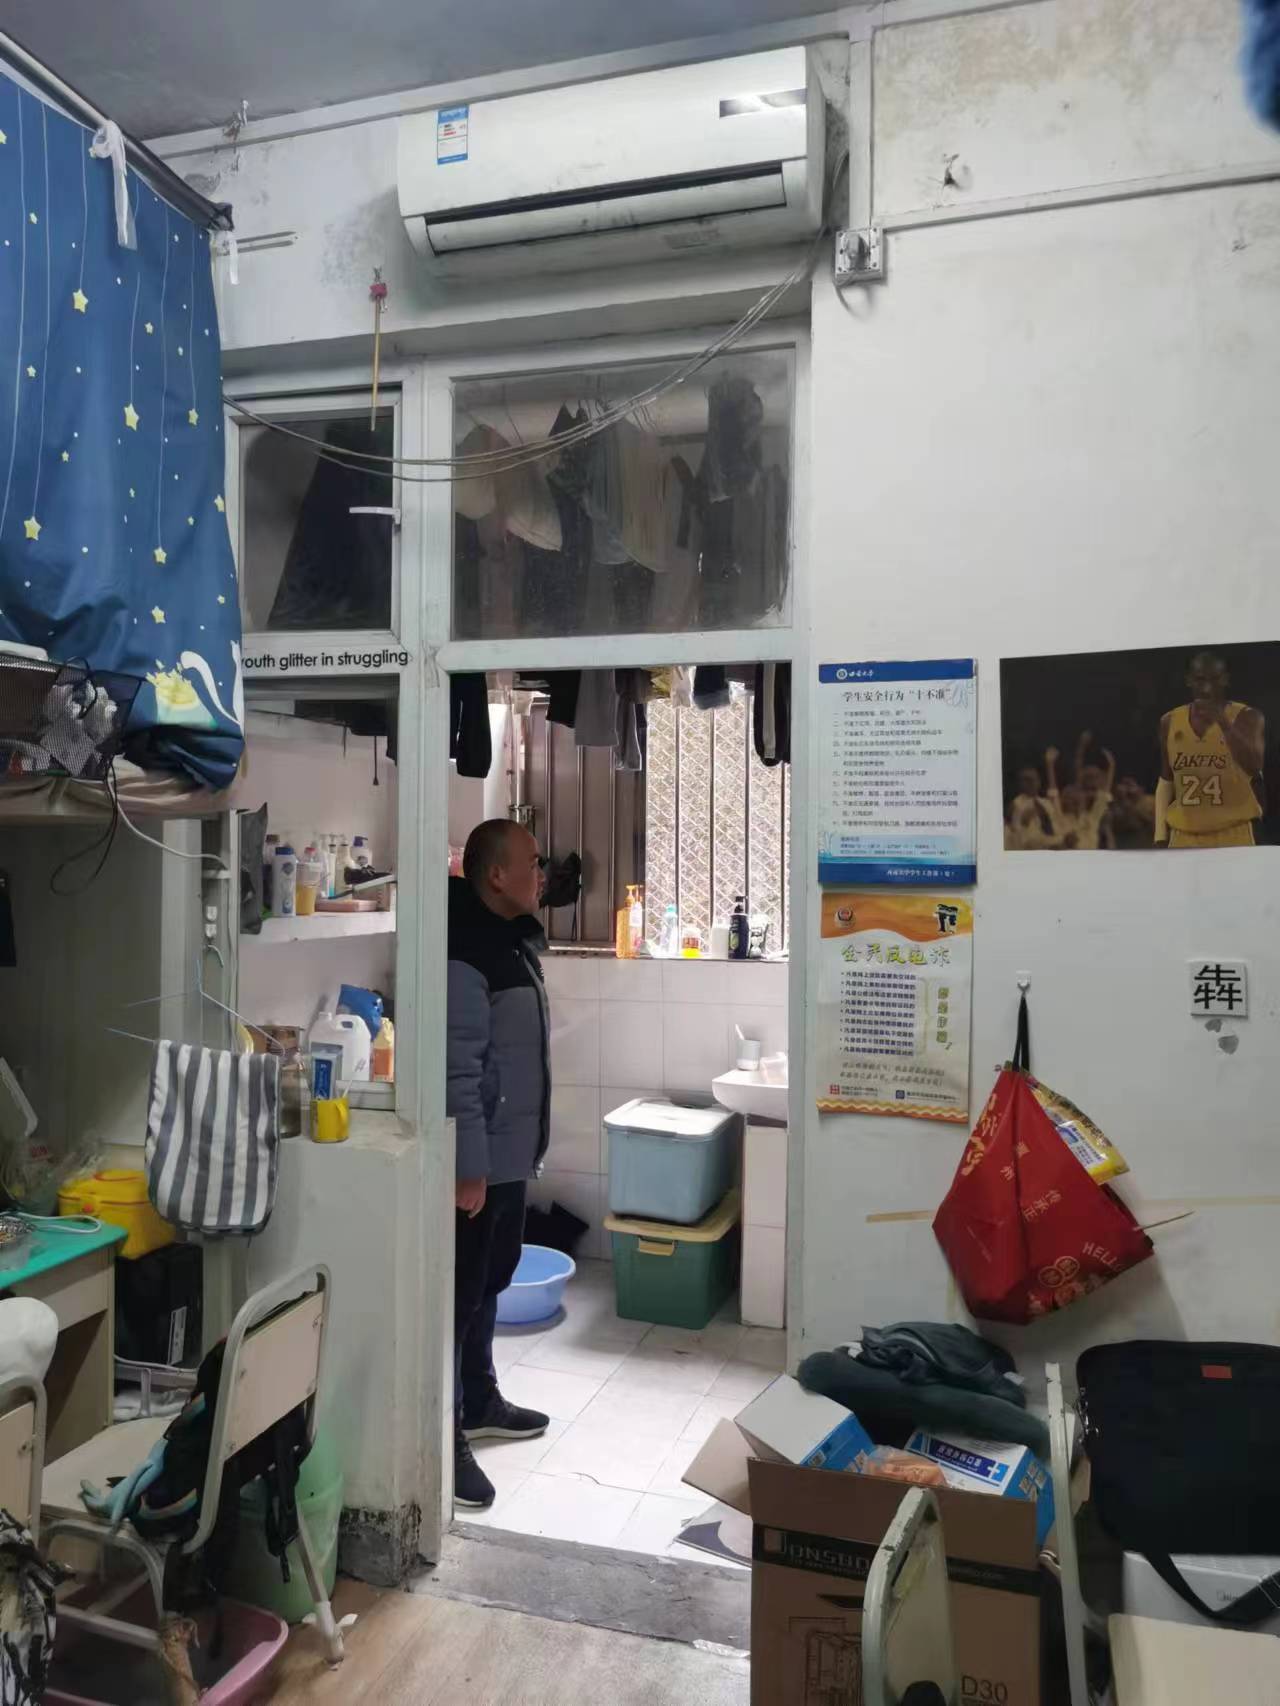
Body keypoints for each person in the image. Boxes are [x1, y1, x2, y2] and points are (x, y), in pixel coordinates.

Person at [447, 819, 552, 1509]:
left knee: (491, 1280)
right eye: (532, 863)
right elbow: (458, 1067)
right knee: (460, 1296)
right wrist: (468, 1166)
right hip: (480, 1166)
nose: (542, 874)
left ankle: (481, 1399)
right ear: (495, 874)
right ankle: (446, 1429)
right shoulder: (466, 948)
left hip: (510, 1155)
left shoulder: (513, 940)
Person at [1156, 652, 1265, 849]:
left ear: (1225, 679)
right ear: (1189, 680)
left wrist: (1224, 723)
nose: (1207, 688)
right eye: (1200, 679)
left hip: (1234, 833)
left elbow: (1255, 767)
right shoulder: (1169, 721)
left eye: (1214, 679)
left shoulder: (1247, 717)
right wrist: (1159, 834)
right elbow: (1166, 780)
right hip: (1184, 836)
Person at [1044, 743, 1115, 850]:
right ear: (1065, 802)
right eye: (1071, 799)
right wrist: (1050, 765)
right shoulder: (1059, 818)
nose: (1075, 801)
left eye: (1077, 799)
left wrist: (1111, 766)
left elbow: (1103, 797)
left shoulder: (1091, 818)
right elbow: (1053, 795)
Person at [1005, 764, 1059, 850]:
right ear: (1020, 783)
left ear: (1039, 782)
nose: (1031, 783)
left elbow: (1056, 826)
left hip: (1054, 844)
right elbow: (1015, 836)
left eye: (1034, 779)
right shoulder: (1015, 805)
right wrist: (1023, 822)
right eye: (1026, 780)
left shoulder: (1047, 803)